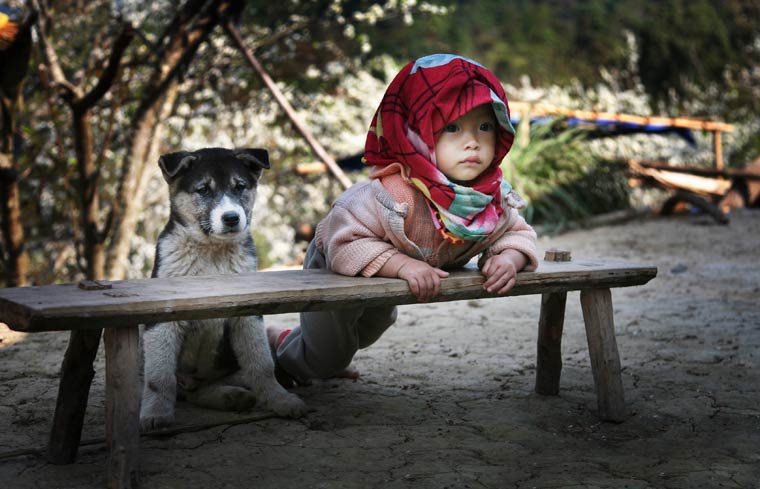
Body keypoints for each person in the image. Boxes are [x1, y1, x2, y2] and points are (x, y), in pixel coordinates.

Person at [268, 54, 539, 385]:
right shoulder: (391, 194)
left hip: (389, 276)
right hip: (338, 268)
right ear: (416, 135)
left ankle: (319, 351)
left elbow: (516, 232)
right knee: (327, 354)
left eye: (485, 127)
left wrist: (509, 258)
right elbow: (345, 242)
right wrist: (404, 266)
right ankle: (283, 352)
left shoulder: (490, 199)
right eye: (451, 127)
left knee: (370, 328)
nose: (472, 142)